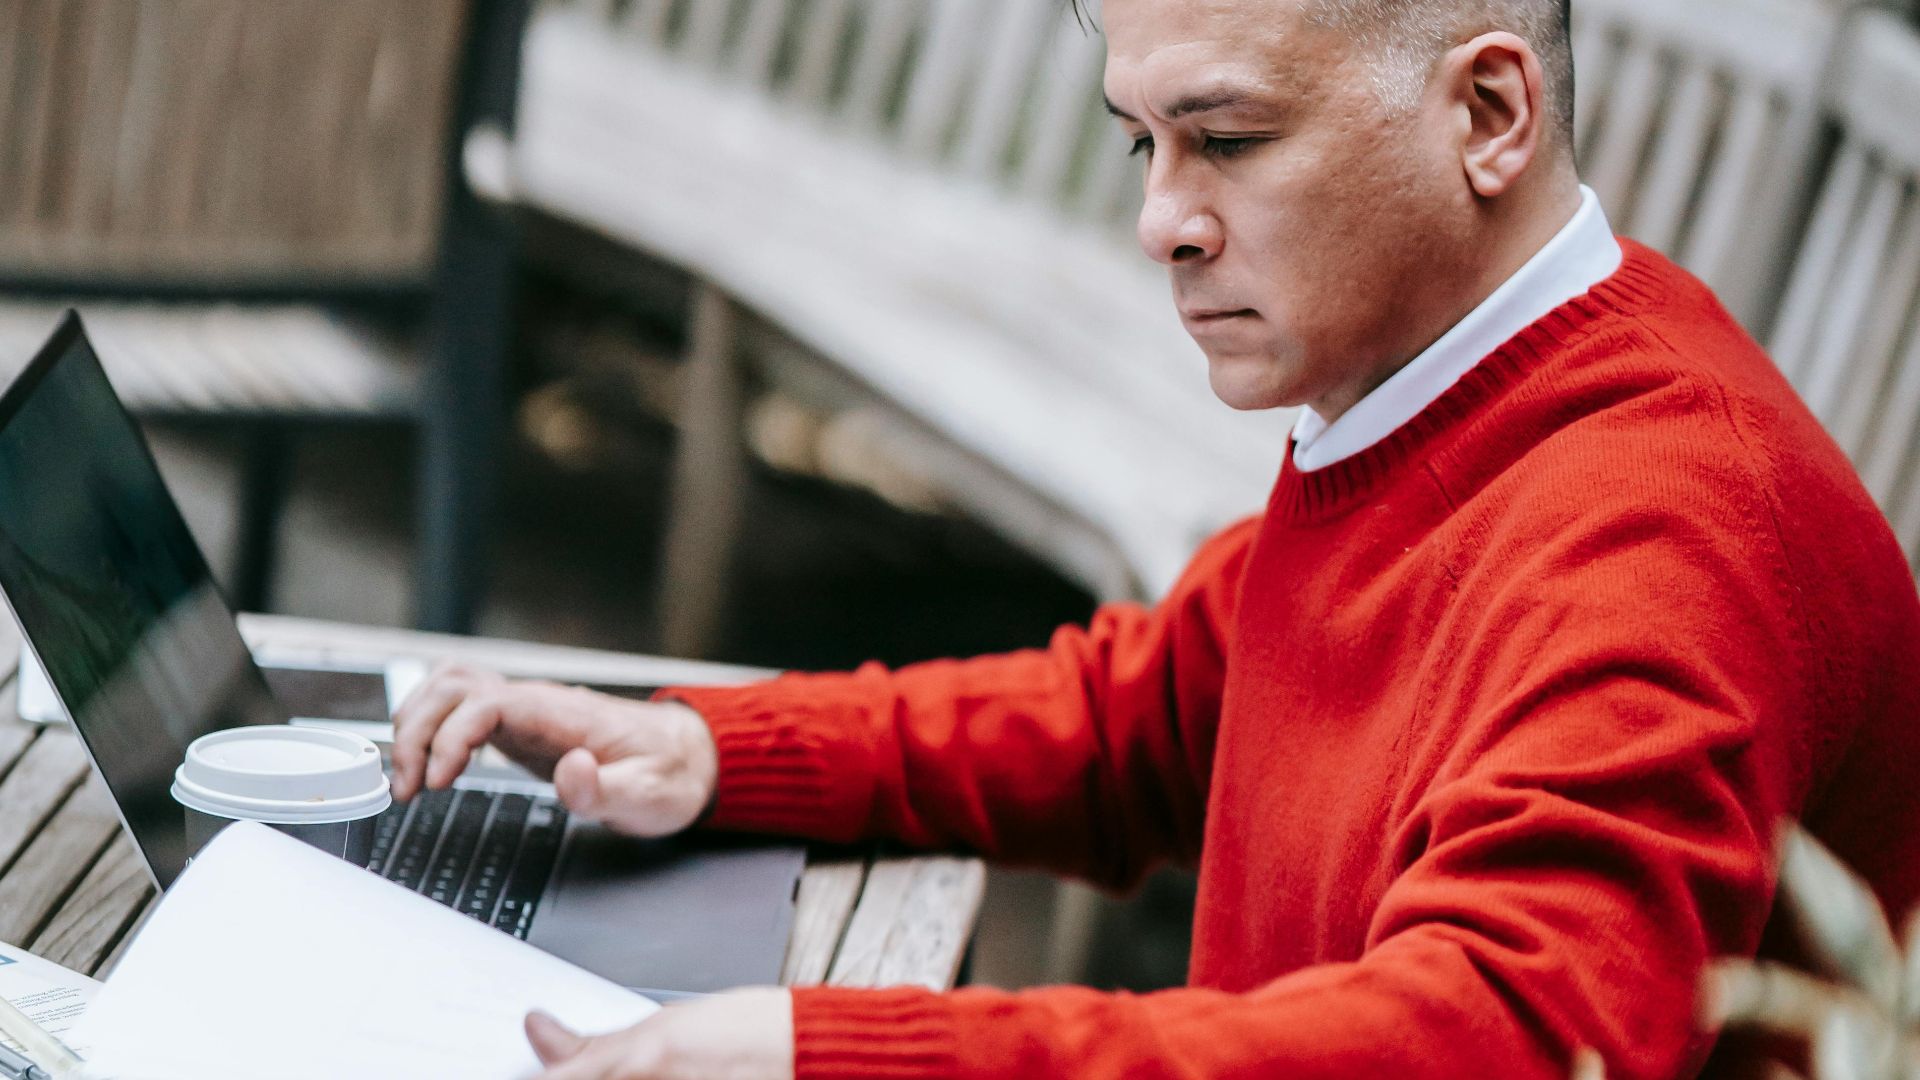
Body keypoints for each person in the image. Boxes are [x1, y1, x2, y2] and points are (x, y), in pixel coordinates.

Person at [391, 0, 1920, 1076]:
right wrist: (708, 750)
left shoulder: (1667, 537)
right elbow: (1158, 708)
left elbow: (1498, 1043)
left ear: (1488, 114)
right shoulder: (1429, 398)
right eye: (1142, 144)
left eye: (1230, 140)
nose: (1162, 221)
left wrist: (827, 1050)